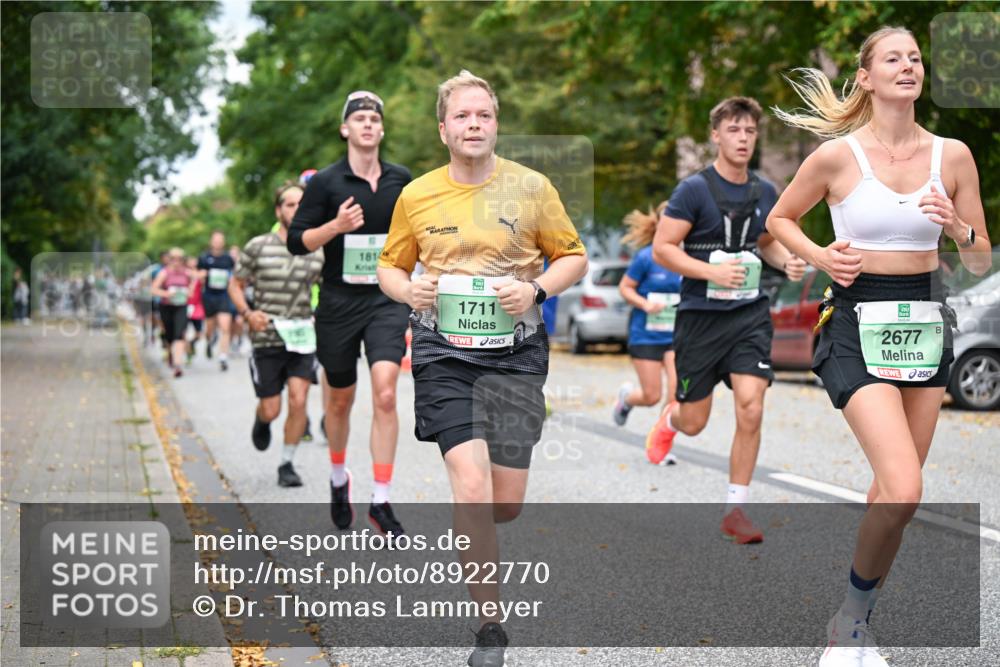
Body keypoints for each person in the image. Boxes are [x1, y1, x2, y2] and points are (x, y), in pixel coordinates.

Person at [766, 26, 990, 666]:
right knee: (903, 486)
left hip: (924, 317)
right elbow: (780, 219)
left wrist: (957, 224)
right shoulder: (838, 157)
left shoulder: (954, 156)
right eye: (893, 58)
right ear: (865, 77)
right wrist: (818, 255)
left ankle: (853, 622)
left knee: (894, 495)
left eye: (916, 57)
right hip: (854, 320)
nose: (908, 65)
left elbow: (976, 260)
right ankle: (850, 627)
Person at [376, 70, 588, 667]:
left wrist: (538, 290)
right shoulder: (417, 195)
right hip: (444, 355)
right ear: (444, 128)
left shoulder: (530, 187)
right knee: (470, 484)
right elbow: (389, 268)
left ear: (496, 124)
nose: (475, 125)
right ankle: (490, 626)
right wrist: (408, 291)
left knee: (506, 502)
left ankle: (483, 535)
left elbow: (573, 256)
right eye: (463, 116)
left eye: (485, 116)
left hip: (515, 356)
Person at [650, 96, 807, 544]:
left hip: (748, 315)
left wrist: (786, 262)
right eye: (734, 130)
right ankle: (669, 421)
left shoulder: (765, 192)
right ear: (716, 135)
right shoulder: (693, 191)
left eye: (750, 131)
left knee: (752, 405)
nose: (742, 139)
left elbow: (765, 241)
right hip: (701, 318)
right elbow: (664, 248)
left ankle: (735, 509)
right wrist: (711, 272)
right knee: (694, 421)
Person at [288, 91, 413, 536]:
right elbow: (296, 241)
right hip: (338, 303)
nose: (366, 125)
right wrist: (335, 227)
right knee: (339, 399)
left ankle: (381, 499)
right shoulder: (325, 183)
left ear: (381, 129)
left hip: (386, 300)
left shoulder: (402, 180)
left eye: (373, 119)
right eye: (358, 118)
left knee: (384, 392)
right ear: (345, 129)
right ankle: (339, 478)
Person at [230, 182, 325, 488]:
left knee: (299, 401)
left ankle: (286, 463)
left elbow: (329, 290)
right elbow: (236, 284)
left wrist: (321, 316)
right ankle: (262, 419)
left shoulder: (317, 249)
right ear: (278, 210)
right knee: (273, 408)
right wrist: (248, 313)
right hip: (266, 337)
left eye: (301, 204)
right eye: (289, 204)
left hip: (301, 336)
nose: (296, 210)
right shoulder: (258, 246)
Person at [613, 201, 683, 462]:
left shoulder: (687, 257)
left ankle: (662, 445)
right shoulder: (646, 257)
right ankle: (627, 400)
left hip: (675, 335)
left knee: (676, 392)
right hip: (646, 333)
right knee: (651, 395)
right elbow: (625, 288)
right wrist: (645, 304)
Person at [151, 248, 196, 378]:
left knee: (179, 334)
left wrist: (189, 290)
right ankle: (171, 352)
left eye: (179, 259)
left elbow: (194, 286)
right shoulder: (164, 273)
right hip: (166, 307)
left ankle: (177, 365)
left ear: (183, 260)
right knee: (170, 335)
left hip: (181, 307)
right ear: (169, 260)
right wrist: (167, 294)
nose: (176, 262)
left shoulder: (187, 273)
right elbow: (153, 289)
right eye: (173, 259)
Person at [198, 231, 237, 371]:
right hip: (209, 296)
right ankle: (209, 340)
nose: (218, 242)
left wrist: (232, 280)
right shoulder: (204, 258)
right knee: (209, 328)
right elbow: (198, 275)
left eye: (220, 240)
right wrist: (203, 275)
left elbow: (234, 275)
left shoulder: (228, 259)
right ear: (211, 242)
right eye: (215, 240)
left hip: (223, 296)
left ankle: (223, 357)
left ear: (223, 242)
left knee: (225, 327)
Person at [185, 257, 205, 364]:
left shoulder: (198, 275)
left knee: (199, 334)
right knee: (184, 333)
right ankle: (188, 354)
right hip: (185, 305)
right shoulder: (184, 274)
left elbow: (203, 279)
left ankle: (192, 344)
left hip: (197, 306)